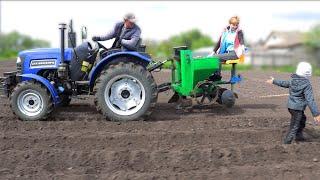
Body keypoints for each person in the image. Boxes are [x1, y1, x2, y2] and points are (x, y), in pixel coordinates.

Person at [266, 62, 320, 144]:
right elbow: (310, 100)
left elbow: (284, 83)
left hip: (291, 107)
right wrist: (316, 114)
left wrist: (274, 81)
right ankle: (286, 143)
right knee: (294, 126)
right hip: (297, 108)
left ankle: (299, 136)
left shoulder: (292, 80)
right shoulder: (307, 84)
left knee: (302, 119)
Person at [208, 16, 245, 81]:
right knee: (213, 58)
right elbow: (220, 42)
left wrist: (242, 46)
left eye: (236, 25)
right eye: (233, 25)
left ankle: (217, 75)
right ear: (230, 24)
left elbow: (241, 39)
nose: (235, 26)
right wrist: (214, 51)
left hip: (235, 53)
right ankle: (213, 75)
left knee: (216, 57)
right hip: (228, 53)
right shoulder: (225, 32)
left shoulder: (239, 32)